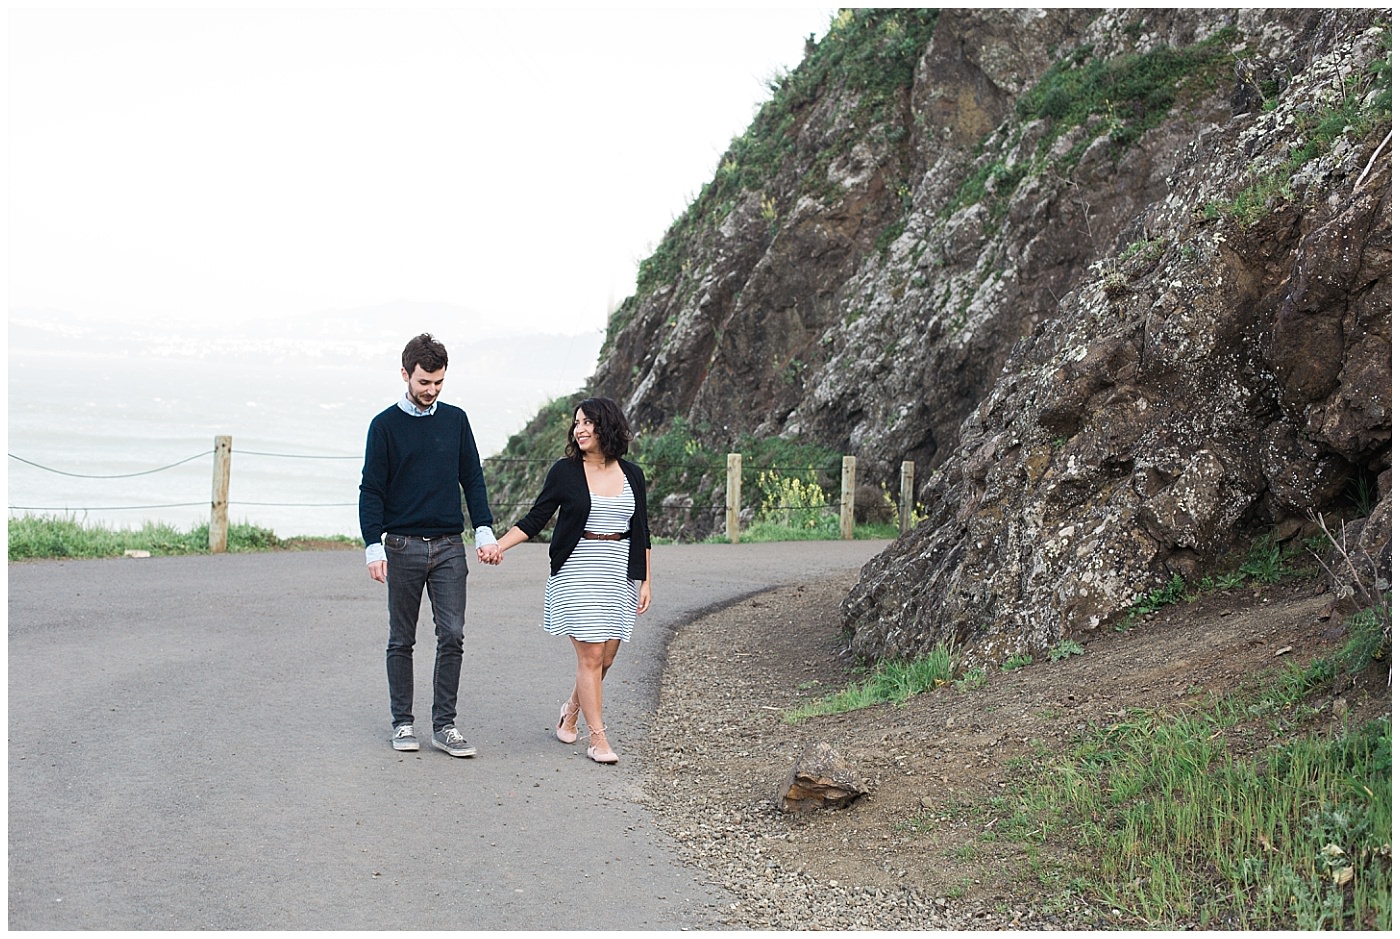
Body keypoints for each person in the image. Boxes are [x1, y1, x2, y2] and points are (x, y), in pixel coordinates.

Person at [359, 333, 502, 758]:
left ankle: (445, 725)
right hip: (401, 545)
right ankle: (403, 723)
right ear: (405, 374)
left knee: (453, 634)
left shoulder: (456, 420)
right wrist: (372, 545)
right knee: (401, 639)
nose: (432, 390)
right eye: (424, 382)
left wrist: (484, 529)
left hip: (447, 547)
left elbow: (471, 478)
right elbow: (372, 490)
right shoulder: (384, 426)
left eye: (439, 382)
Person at [494, 396, 652, 764]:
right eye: (577, 422)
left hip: (617, 571)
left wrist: (645, 580)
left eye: (588, 422)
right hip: (577, 567)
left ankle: (572, 709)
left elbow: (642, 530)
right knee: (592, 653)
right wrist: (499, 546)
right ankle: (598, 739)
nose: (579, 429)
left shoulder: (632, 474)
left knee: (607, 657)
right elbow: (536, 519)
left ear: (607, 426)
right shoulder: (565, 471)